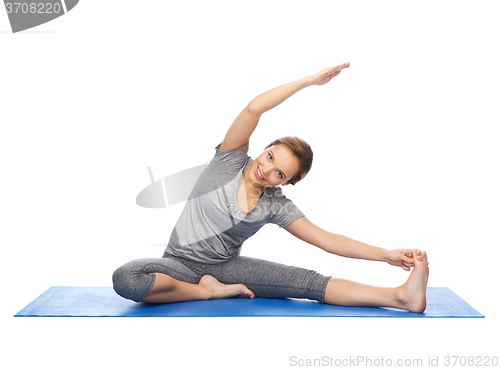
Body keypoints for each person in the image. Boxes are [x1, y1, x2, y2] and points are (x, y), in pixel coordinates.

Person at [112, 62, 429, 313]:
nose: (265, 170)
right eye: (269, 156)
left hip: (227, 268)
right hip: (177, 265)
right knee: (127, 278)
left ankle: (402, 297)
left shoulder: (275, 205)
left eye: (279, 173)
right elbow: (254, 108)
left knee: (306, 282)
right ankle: (205, 291)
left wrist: (385, 254)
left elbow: (326, 239)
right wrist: (307, 82)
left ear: (287, 182)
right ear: (264, 148)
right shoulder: (229, 161)